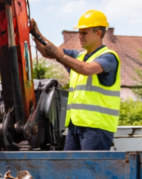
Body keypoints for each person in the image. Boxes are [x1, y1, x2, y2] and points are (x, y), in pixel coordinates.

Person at [32, 10, 121, 151]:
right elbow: (48, 51)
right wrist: (36, 33)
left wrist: (60, 56)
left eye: (84, 33)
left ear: (98, 33)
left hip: (97, 129)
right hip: (75, 126)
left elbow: (87, 69)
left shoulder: (108, 57)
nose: (79, 36)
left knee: (88, 171)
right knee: (69, 169)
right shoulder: (79, 56)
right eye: (79, 32)